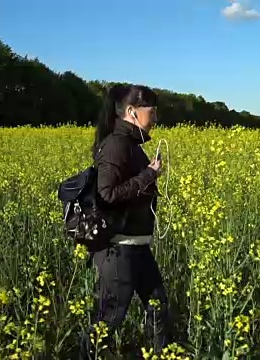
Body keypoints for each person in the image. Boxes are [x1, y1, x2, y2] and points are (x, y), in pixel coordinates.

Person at [80, 84, 170, 358]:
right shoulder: (116, 145)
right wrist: (149, 175)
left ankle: (161, 354)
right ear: (132, 112)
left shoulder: (130, 144)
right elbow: (107, 195)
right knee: (109, 320)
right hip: (119, 249)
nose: (155, 119)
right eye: (151, 112)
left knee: (158, 303)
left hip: (136, 245)